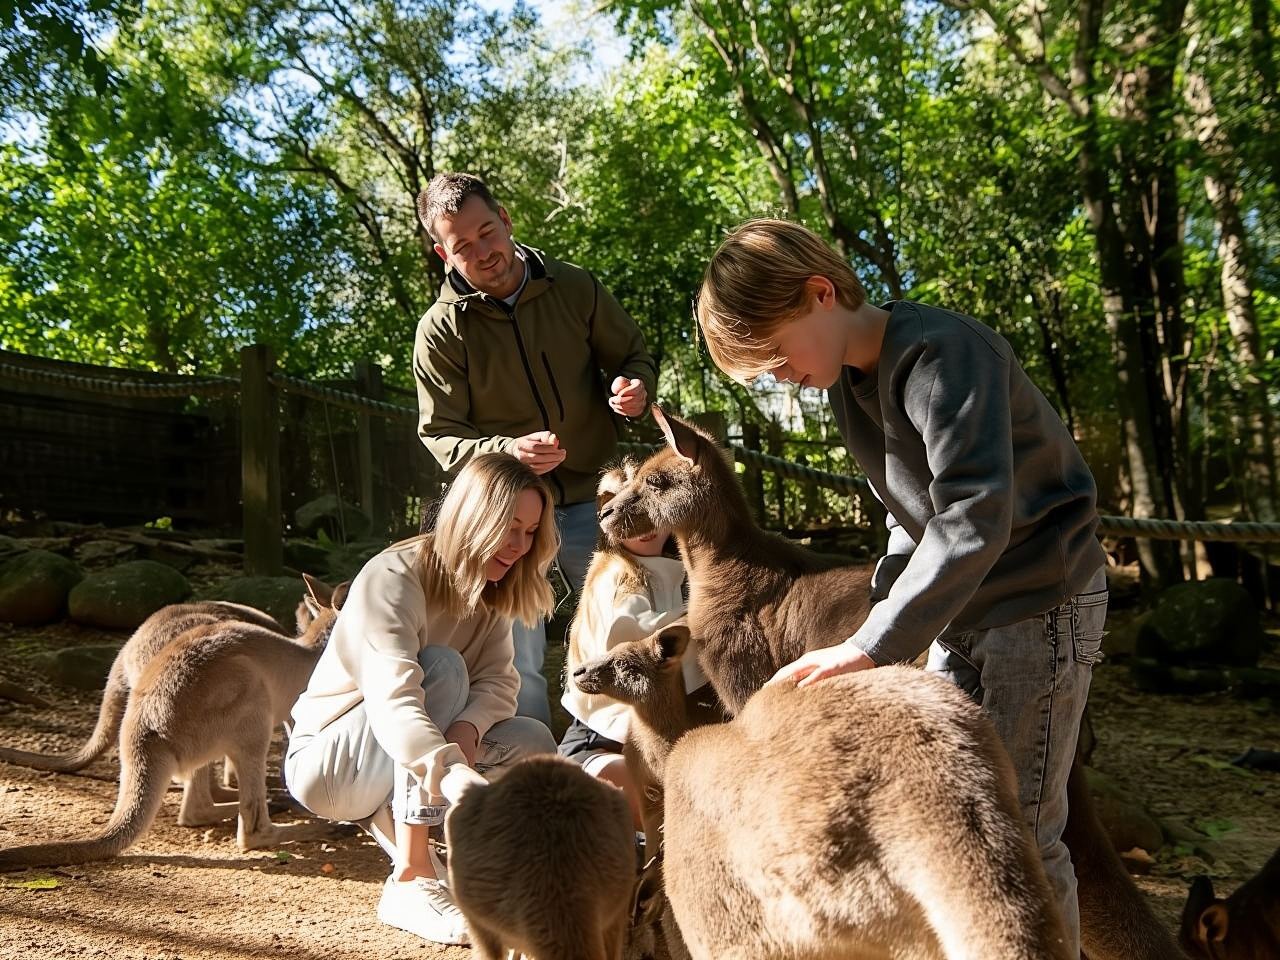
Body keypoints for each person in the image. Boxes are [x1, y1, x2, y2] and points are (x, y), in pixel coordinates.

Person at [694, 218, 1109, 957]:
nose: (778, 378)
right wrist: (882, 622)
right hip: (962, 613)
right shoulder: (847, 387)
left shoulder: (941, 355)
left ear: (820, 294)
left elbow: (973, 511)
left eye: (777, 356)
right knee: (961, 815)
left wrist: (872, 643)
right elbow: (907, 517)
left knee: (1024, 830)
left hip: (1040, 602)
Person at [284, 453, 560, 947]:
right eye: (510, 528)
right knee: (442, 667)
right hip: (329, 765)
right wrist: (453, 773)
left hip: (403, 753)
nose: (520, 547)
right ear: (475, 517)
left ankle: (497, 870)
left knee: (532, 740)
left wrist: (467, 731)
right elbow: (396, 699)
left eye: (530, 532)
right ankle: (412, 875)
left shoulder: (490, 588)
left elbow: (500, 683)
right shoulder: (393, 576)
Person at [413, 172, 658, 726]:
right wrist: (507, 452)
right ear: (443, 254)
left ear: (505, 218)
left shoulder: (575, 287)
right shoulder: (439, 333)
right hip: (507, 516)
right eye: (463, 246)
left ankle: (628, 747)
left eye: (486, 232)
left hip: (598, 496)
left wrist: (634, 389)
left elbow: (633, 355)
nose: (483, 252)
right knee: (515, 655)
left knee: (628, 618)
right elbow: (440, 435)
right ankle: (529, 767)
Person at [558, 464, 705, 827]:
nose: (639, 522)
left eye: (649, 508)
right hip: (605, 735)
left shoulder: (669, 569)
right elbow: (635, 649)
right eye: (620, 508)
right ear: (605, 516)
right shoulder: (615, 576)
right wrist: (710, 613)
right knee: (664, 799)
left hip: (651, 728)